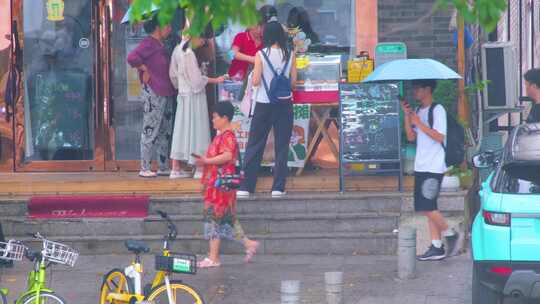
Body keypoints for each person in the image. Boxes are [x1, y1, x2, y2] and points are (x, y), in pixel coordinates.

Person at [237, 20, 297, 198]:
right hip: (284, 104)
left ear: (267, 36)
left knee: (255, 144)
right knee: (282, 145)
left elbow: (255, 81)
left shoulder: (260, 54)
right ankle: (278, 187)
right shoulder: (291, 54)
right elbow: (293, 83)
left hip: (264, 103)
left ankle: (246, 186)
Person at [195, 102, 259, 268]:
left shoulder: (227, 136)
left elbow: (227, 155)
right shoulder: (222, 135)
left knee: (214, 220)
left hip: (220, 187)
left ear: (224, 118)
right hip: (219, 185)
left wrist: (206, 161)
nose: (213, 120)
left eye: (215, 116)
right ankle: (248, 244)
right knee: (226, 220)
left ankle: (213, 257)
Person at [402, 79, 459, 261]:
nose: (415, 92)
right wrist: (407, 116)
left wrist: (419, 123)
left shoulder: (438, 110)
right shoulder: (418, 111)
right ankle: (436, 246)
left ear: (427, 89)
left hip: (434, 166)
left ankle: (450, 233)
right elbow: (411, 137)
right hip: (421, 165)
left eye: (417, 88)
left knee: (426, 206)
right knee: (429, 207)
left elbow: (439, 136)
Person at [169, 29, 226, 179]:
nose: (202, 43)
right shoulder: (189, 54)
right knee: (198, 131)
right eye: (202, 39)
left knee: (181, 131)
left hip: (182, 96)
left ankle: (175, 168)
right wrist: (214, 79)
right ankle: (199, 168)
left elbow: (173, 75)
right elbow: (197, 81)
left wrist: (180, 86)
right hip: (195, 96)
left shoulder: (177, 50)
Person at [127, 15, 175, 178]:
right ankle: (145, 167)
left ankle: (163, 166)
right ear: (157, 27)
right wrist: (144, 69)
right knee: (150, 129)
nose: (170, 28)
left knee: (165, 131)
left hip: (167, 91)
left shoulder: (162, 44)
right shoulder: (148, 43)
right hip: (154, 91)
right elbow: (131, 57)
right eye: (167, 25)